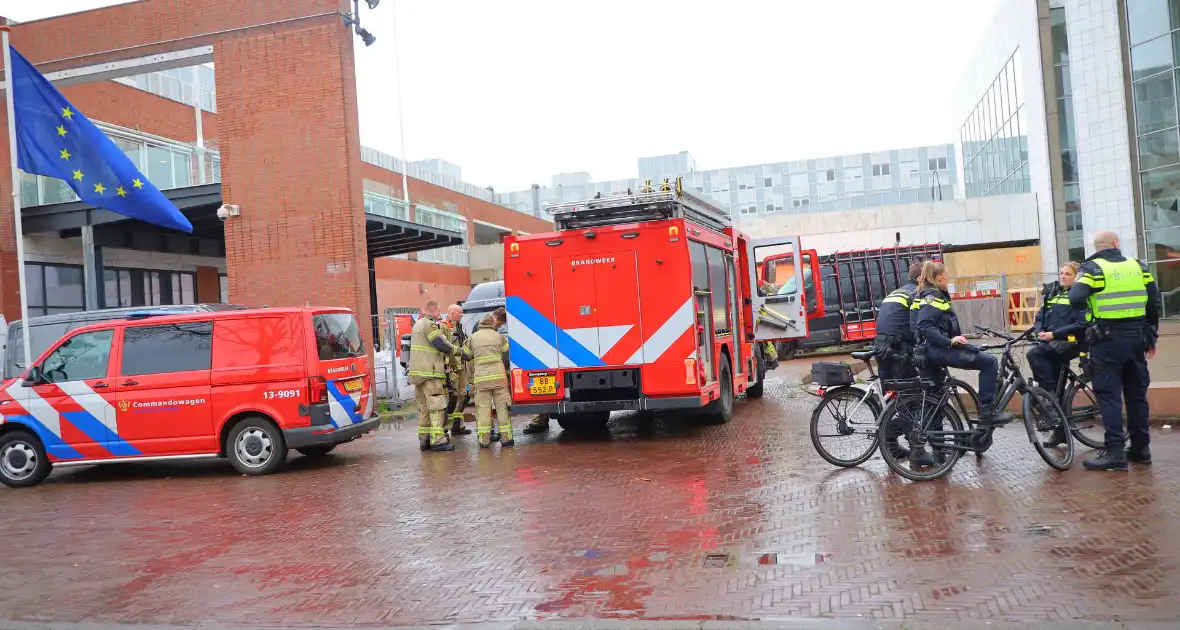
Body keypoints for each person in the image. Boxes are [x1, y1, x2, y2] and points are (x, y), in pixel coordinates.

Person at [1070, 229, 1161, 471]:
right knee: (1136, 396)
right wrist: (1151, 336)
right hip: (1137, 339)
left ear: (1097, 247)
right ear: (1116, 243)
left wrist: (1090, 304)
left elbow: (1076, 297)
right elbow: (1154, 302)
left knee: (1109, 397)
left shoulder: (1093, 269)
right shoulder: (1138, 266)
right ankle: (1142, 449)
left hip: (1107, 342)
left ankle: (1115, 452)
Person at [913, 260, 1014, 431]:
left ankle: (939, 448)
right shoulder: (932, 296)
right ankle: (987, 412)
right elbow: (925, 325)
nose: (948, 282)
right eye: (947, 278)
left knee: (935, 399)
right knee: (989, 362)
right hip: (936, 350)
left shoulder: (924, 294)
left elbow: (931, 324)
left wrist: (956, 338)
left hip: (927, 352)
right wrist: (949, 341)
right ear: (940, 277)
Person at [1026, 262, 1088, 448]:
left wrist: (1054, 335)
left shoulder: (1079, 295)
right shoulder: (1053, 292)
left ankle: (1048, 396)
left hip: (1069, 342)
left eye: (1067, 274)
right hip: (1051, 342)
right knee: (1056, 384)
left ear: (1076, 276)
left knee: (1034, 354)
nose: (1063, 276)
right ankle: (1060, 431)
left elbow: (1081, 325)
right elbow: (1040, 316)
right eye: (1061, 273)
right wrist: (1039, 332)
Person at [873, 261, 924, 459]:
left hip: (883, 351)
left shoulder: (896, 292)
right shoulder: (915, 295)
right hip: (897, 354)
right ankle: (895, 440)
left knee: (898, 401)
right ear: (920, 278)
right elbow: (916, 328)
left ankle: (894, 448)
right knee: (911, 400)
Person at [409, 300, 471, 452]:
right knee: (437, 407)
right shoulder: (430, 324)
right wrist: (461, 352)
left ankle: (425, 440)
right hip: (430, 373)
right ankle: (438, 440)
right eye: (439, 311)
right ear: (435, 310)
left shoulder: (417, 324)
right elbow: (441, 344)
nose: (440, 314)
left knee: (424, 409)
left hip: (417, 374)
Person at [466, 308, 514, 448]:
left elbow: (466, 356)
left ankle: (484, 440)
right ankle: (506, 439)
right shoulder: (499, 336)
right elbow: (506, 355)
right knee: (502, 409)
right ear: (492, 323)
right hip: (499, 378)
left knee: (483, 410)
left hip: (481, 380)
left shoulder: (473, 337)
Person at [442, 304, 472, 436]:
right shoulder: (443, 327)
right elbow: (444, 349)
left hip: (462, 368)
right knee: (452, 398)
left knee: (463, 395)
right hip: (452, 369)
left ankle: (458, 425)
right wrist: (448, 369)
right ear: (453, 313)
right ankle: (445, 429)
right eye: (460, 313)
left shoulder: (458, 326)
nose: (462, 315)